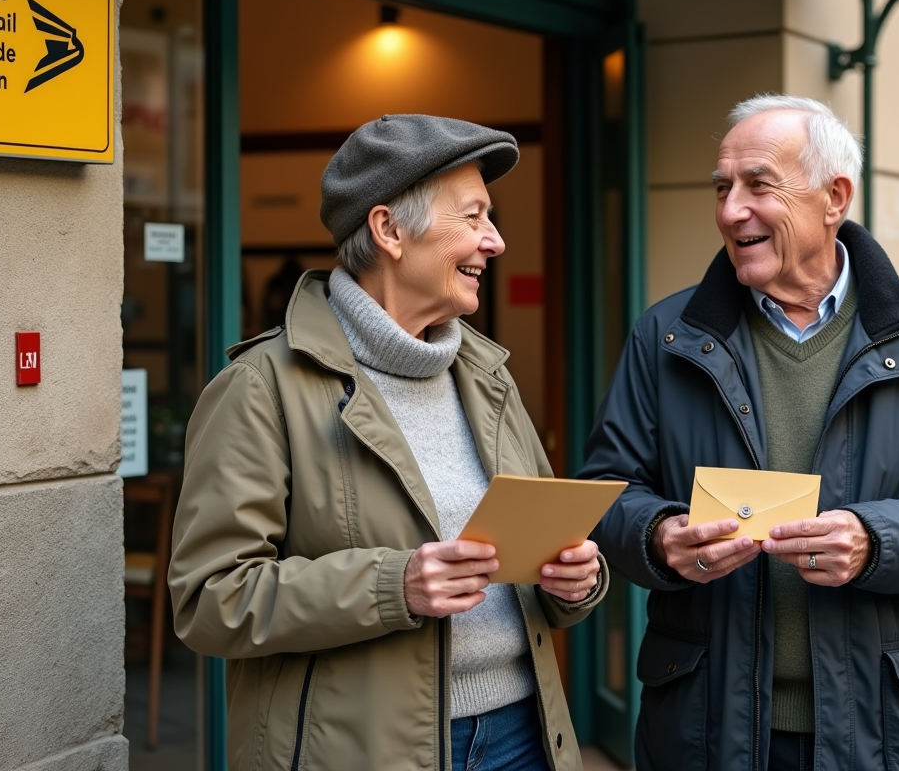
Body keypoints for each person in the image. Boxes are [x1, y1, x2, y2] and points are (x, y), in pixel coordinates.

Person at [583, 95, 899, 771]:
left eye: (758, 184)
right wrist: (660, 536)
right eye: (723, 188)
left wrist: (875, 541)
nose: (730, 210)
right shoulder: (664, 337)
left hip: (879, 726)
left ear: (834, 197)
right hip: (704, 726)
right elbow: (606, 492)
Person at [169, 115, 606, 771]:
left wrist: (572, 583)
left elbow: (532, 574)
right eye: (474, 217)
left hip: (524, 734)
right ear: (389, 231)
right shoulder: (260, 388)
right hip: (361, 751)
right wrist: (392, 585)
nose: (496, 240)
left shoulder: (489, 377)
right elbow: (210, 599)